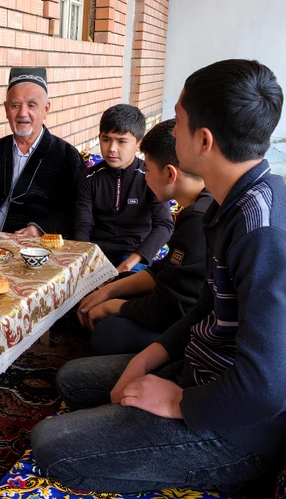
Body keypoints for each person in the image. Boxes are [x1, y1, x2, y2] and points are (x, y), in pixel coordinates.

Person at [32, 59, 286, 494]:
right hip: (210, 369)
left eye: (176, 121)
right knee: (73, 380)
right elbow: (205, 309)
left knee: (51, 445)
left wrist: (178, 401)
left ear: (203, 139)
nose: (170, 133)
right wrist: (150, 357)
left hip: (244, 427)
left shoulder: (266, 236)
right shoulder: (229, 203)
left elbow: (269, 389)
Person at [76, 119, 213, 354]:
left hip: (195, 328)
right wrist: (108, 291)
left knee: (108, 332)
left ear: (170, 174)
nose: (145, 177)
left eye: (147, 170)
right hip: (107, 258)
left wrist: (113, 307)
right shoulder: (201, 202)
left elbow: (171, 307)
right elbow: (167, 269)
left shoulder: (196, 220)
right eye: (106, 139)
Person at [0, 67, 83, 237]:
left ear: (46, 108)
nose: (22, 113)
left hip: (33, 246)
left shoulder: (66, 156)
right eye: (15, 105)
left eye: (31, 105)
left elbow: (78, 210)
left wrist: (40, 228)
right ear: (6, 110)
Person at [73, 104, 174, 273]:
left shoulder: (149, 176)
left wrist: (130, 263)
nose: (112, 148)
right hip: (97, 254)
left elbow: (164, 225)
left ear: (138, 144)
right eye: (106, 139)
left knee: (125, 292)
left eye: (121, 141)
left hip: (135, 255)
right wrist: (83, 261)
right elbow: (82, 226)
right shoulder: (89, 177)